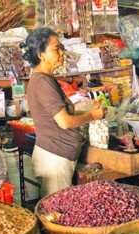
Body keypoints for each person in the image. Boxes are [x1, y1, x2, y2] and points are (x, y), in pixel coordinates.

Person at [22, 28, 104, 197]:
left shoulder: (45, 78)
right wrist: (92, 116)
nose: (61, 53)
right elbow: (64, 122)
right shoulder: (42, 82)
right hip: (55, 158)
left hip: (56, 155)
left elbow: (57, 113)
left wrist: (83, 109)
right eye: (56, 49)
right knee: (56, 212)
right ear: (41, 54)